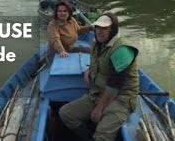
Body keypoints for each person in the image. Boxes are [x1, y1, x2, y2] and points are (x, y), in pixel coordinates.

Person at [59, 12, 139, 141]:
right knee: (66, 114)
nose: (99, 32)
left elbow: (115, 85)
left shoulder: (122, 50)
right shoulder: (96, 43)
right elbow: (100, 61)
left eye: (104, 28)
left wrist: (99, 109)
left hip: (121, 99)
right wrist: (90, 69)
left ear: (112, 29)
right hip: (98, 92)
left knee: (102, 137)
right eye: (97, 27)